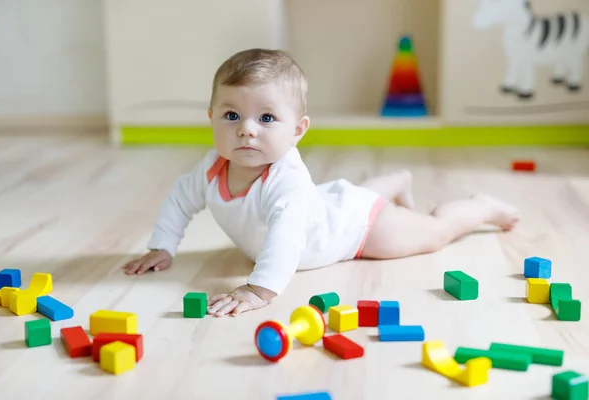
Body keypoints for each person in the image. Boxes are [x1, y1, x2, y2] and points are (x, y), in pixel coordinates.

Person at [122, 48, 520, 317]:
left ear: (298, 130)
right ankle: (396, 180)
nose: (246, 130)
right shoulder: (211, 168)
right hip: (330, 203)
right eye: (231, 116)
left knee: (433, 232)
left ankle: (482, 206)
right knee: (348, 197)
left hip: (358, 230)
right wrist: (163, 245)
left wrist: (258, 290)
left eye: (266, 118)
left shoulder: (286, 183)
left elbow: (285, 241)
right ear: (211, 117)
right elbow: (179, 200)